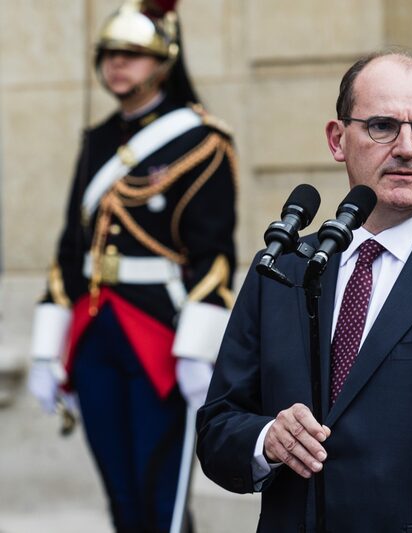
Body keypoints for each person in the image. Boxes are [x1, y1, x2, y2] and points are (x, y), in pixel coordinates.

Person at [196, 50, 412, 532]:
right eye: (382, 126)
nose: (406, 147)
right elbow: (218, 429)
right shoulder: (284, 269)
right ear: (337, 140)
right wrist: (267, 440)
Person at [27, 0, 237, 530]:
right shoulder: (98, 139)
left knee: (161, 496)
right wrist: (47, 345)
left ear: (164, 63)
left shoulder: (202, 140)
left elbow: (213, 254)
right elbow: (71, 248)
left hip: (160, 333)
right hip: (95, 332)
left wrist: (196, 348)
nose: (117, 64)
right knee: (120, 494)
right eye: (109, 54)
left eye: (133, 54)